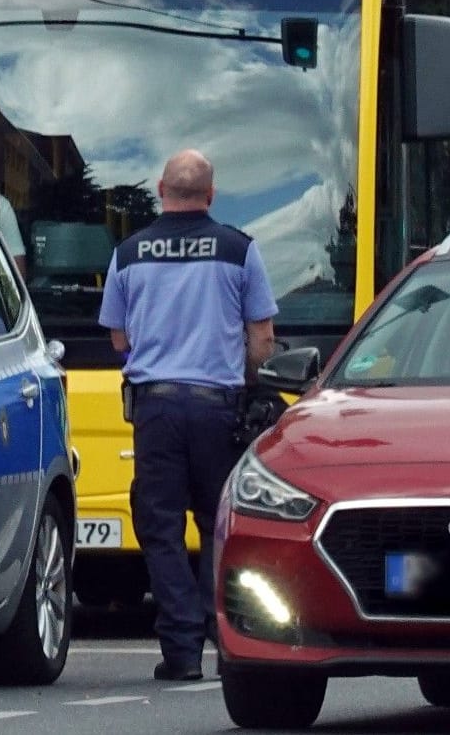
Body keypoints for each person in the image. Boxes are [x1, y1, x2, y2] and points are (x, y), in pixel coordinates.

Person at [98, 149, 278, 682]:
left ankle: (180, 653)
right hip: (218, 408)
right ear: (211, 193)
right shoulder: (239, 250)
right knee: (220, 524)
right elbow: (263, 339)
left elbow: (118, 337)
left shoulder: (129, 254)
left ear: (160, 189)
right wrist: (243, 379)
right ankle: (225, 637)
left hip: (155, 407)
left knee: (160, 527)